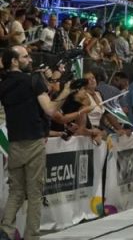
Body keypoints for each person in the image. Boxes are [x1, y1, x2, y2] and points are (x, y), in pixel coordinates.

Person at [0, 46, 95, 240]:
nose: (30, 59)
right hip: (34, 142)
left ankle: (6, 231)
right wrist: (66, 91)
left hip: (14, 143)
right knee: (35, 193)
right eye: (26, 57)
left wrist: (49, 81)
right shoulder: (32, 80)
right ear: (14, 61)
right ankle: (31, 235)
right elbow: (50, 110)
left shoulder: (4, 84)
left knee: (16, 191)